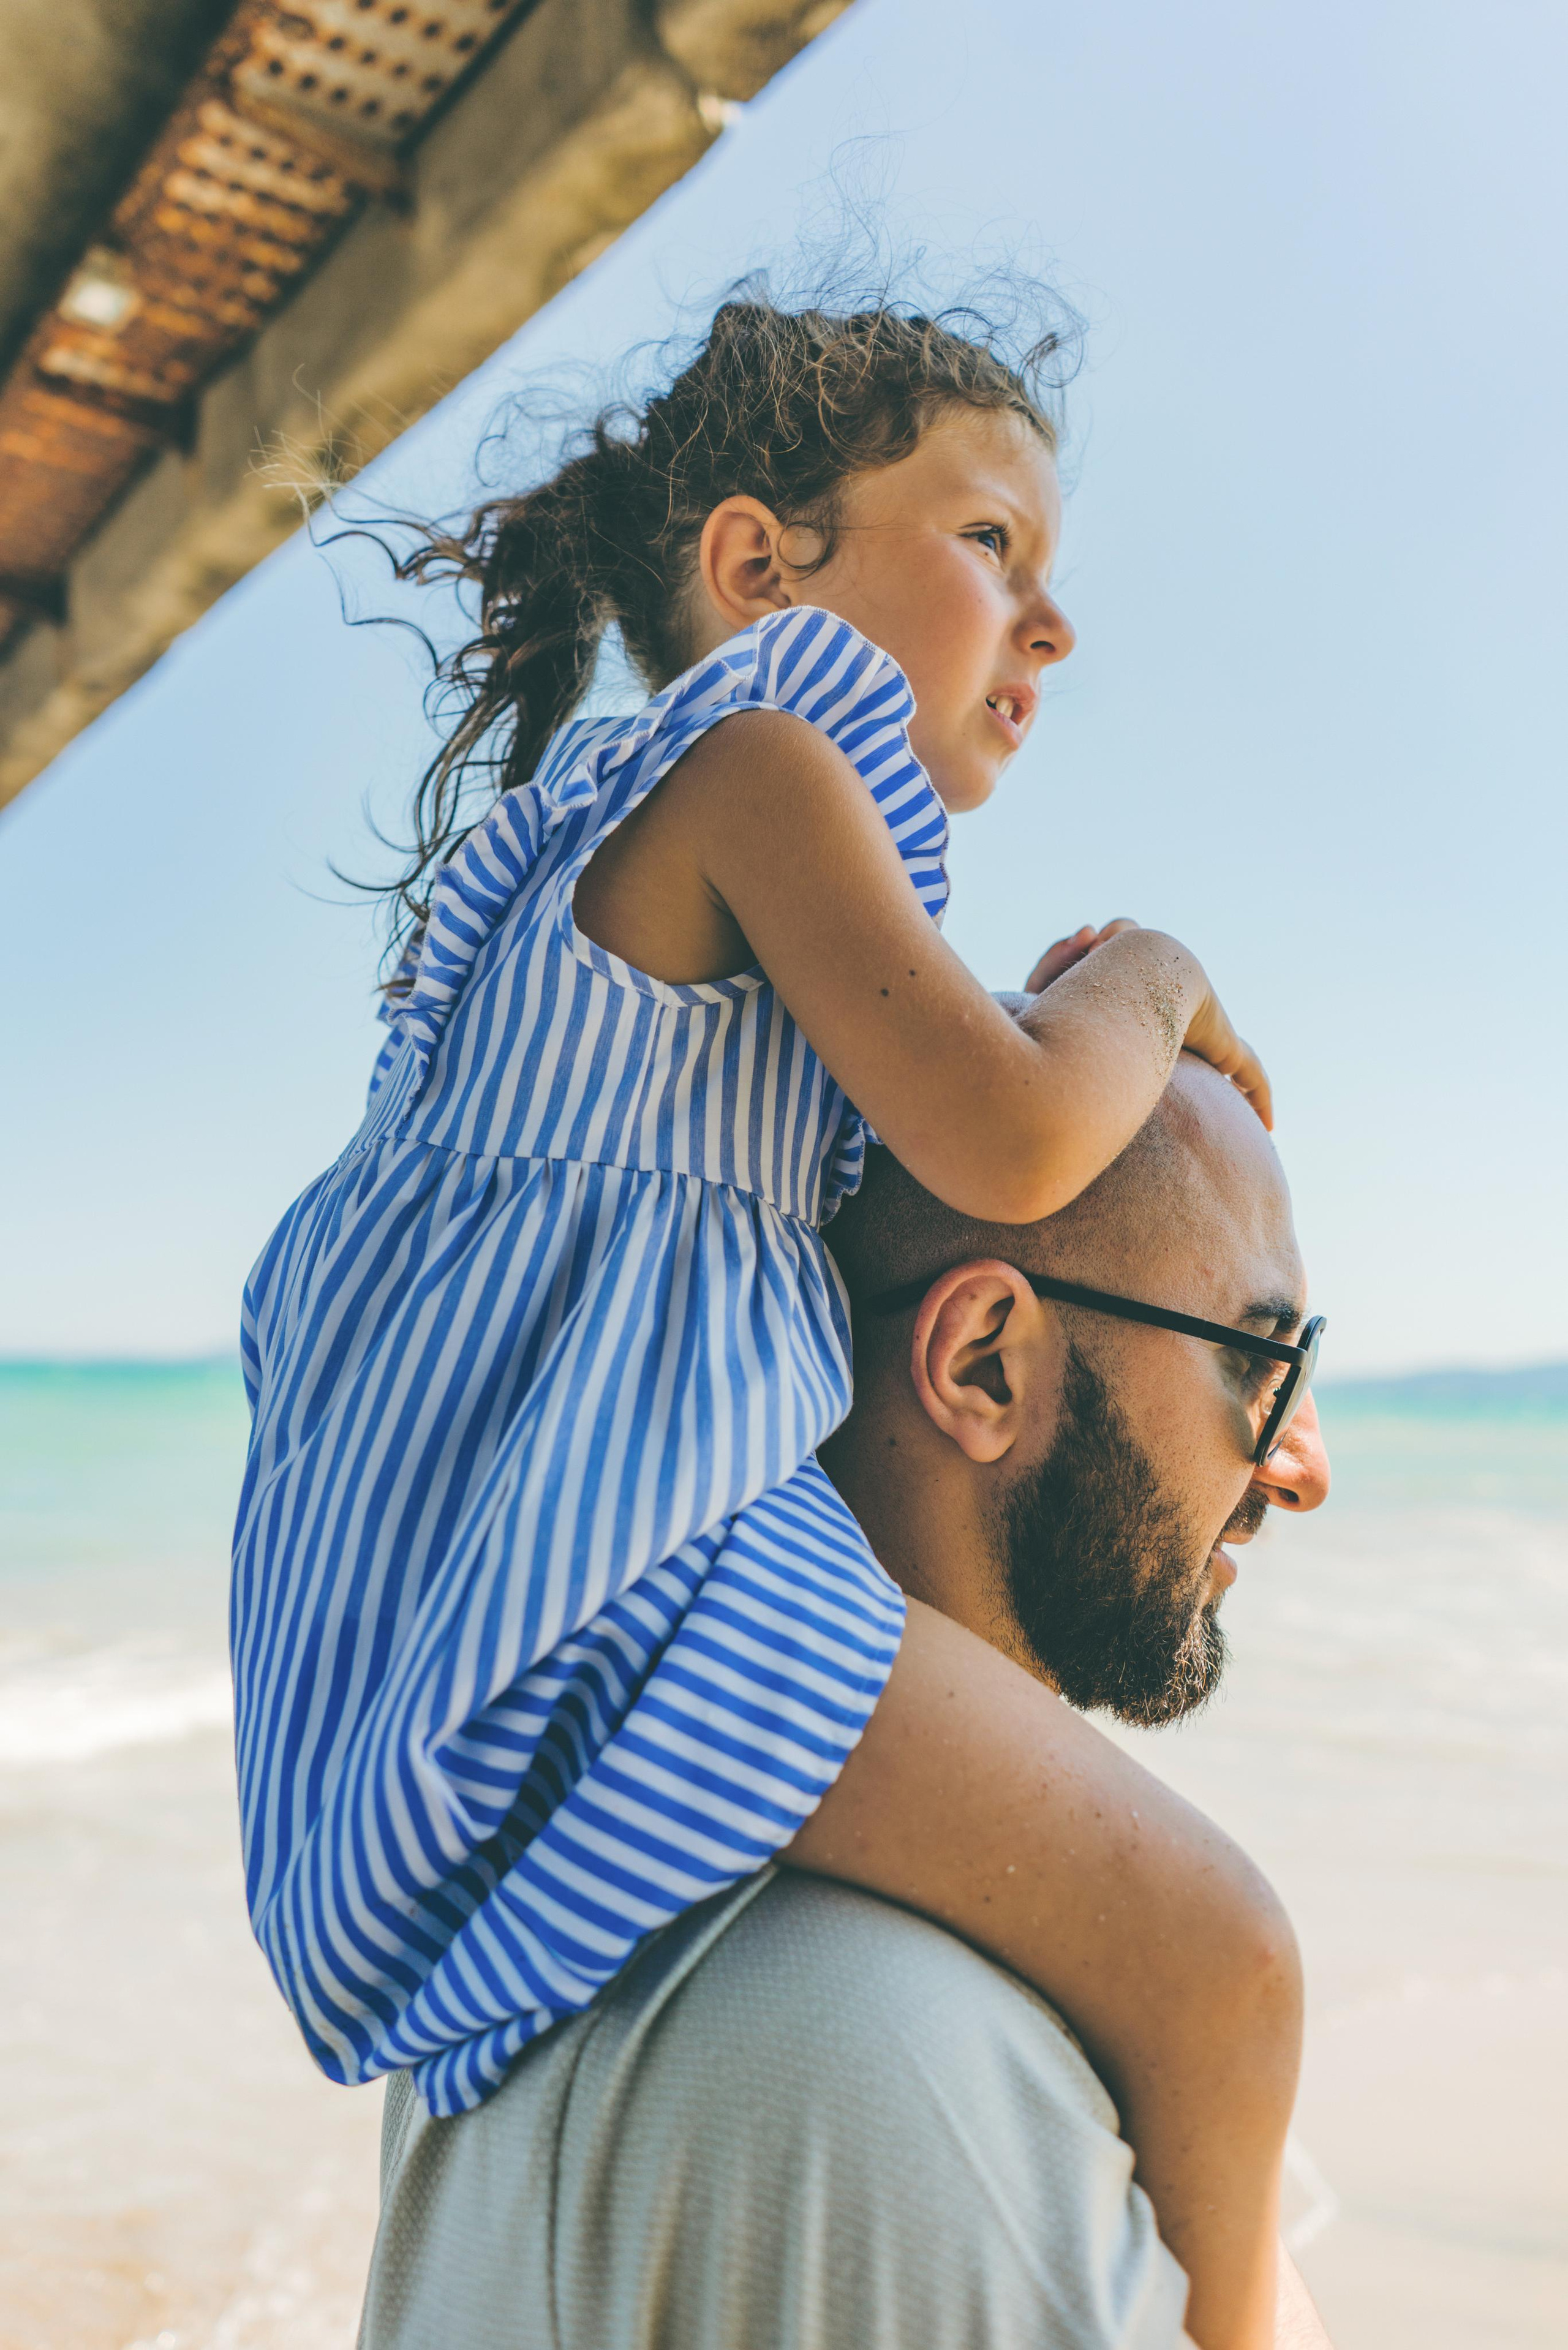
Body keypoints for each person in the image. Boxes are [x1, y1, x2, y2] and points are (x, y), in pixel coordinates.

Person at [235, 287, 1281, 2344]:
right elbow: (1001, 1132)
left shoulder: (616, 866)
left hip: (527, 1587)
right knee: (1220, 1949)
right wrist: (1150, 971)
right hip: (651, 1579)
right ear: (756, 563)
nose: (1047, 629)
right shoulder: (760, 759)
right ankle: (1242, 2314)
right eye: (995, 547)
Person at [356, 1052, 1333, 2349]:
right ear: (981, 1361)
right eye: (1259, 1358)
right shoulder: (905, 2067)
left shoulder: (553, 1890)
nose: (1304, 1463)